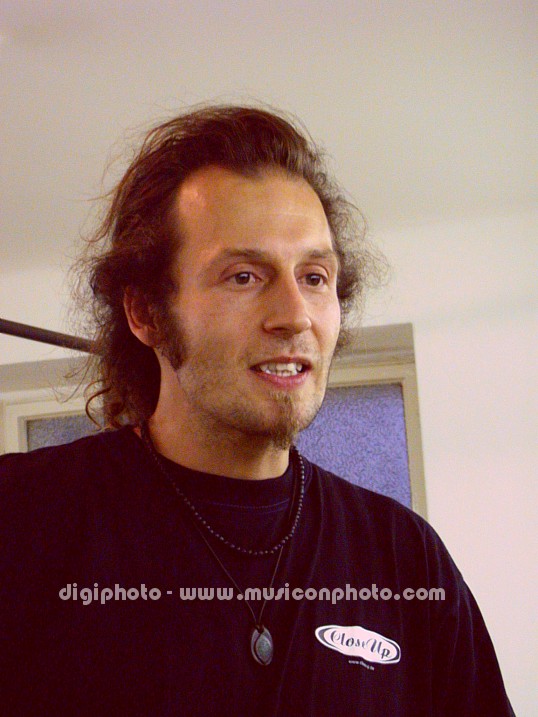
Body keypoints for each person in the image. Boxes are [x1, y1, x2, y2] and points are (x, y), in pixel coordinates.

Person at [0, 105, 514, 716]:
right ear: (145, 313)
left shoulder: (405, 558)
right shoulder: (22, 519)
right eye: (244, 276)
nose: (294, 315)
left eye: (315, 277)